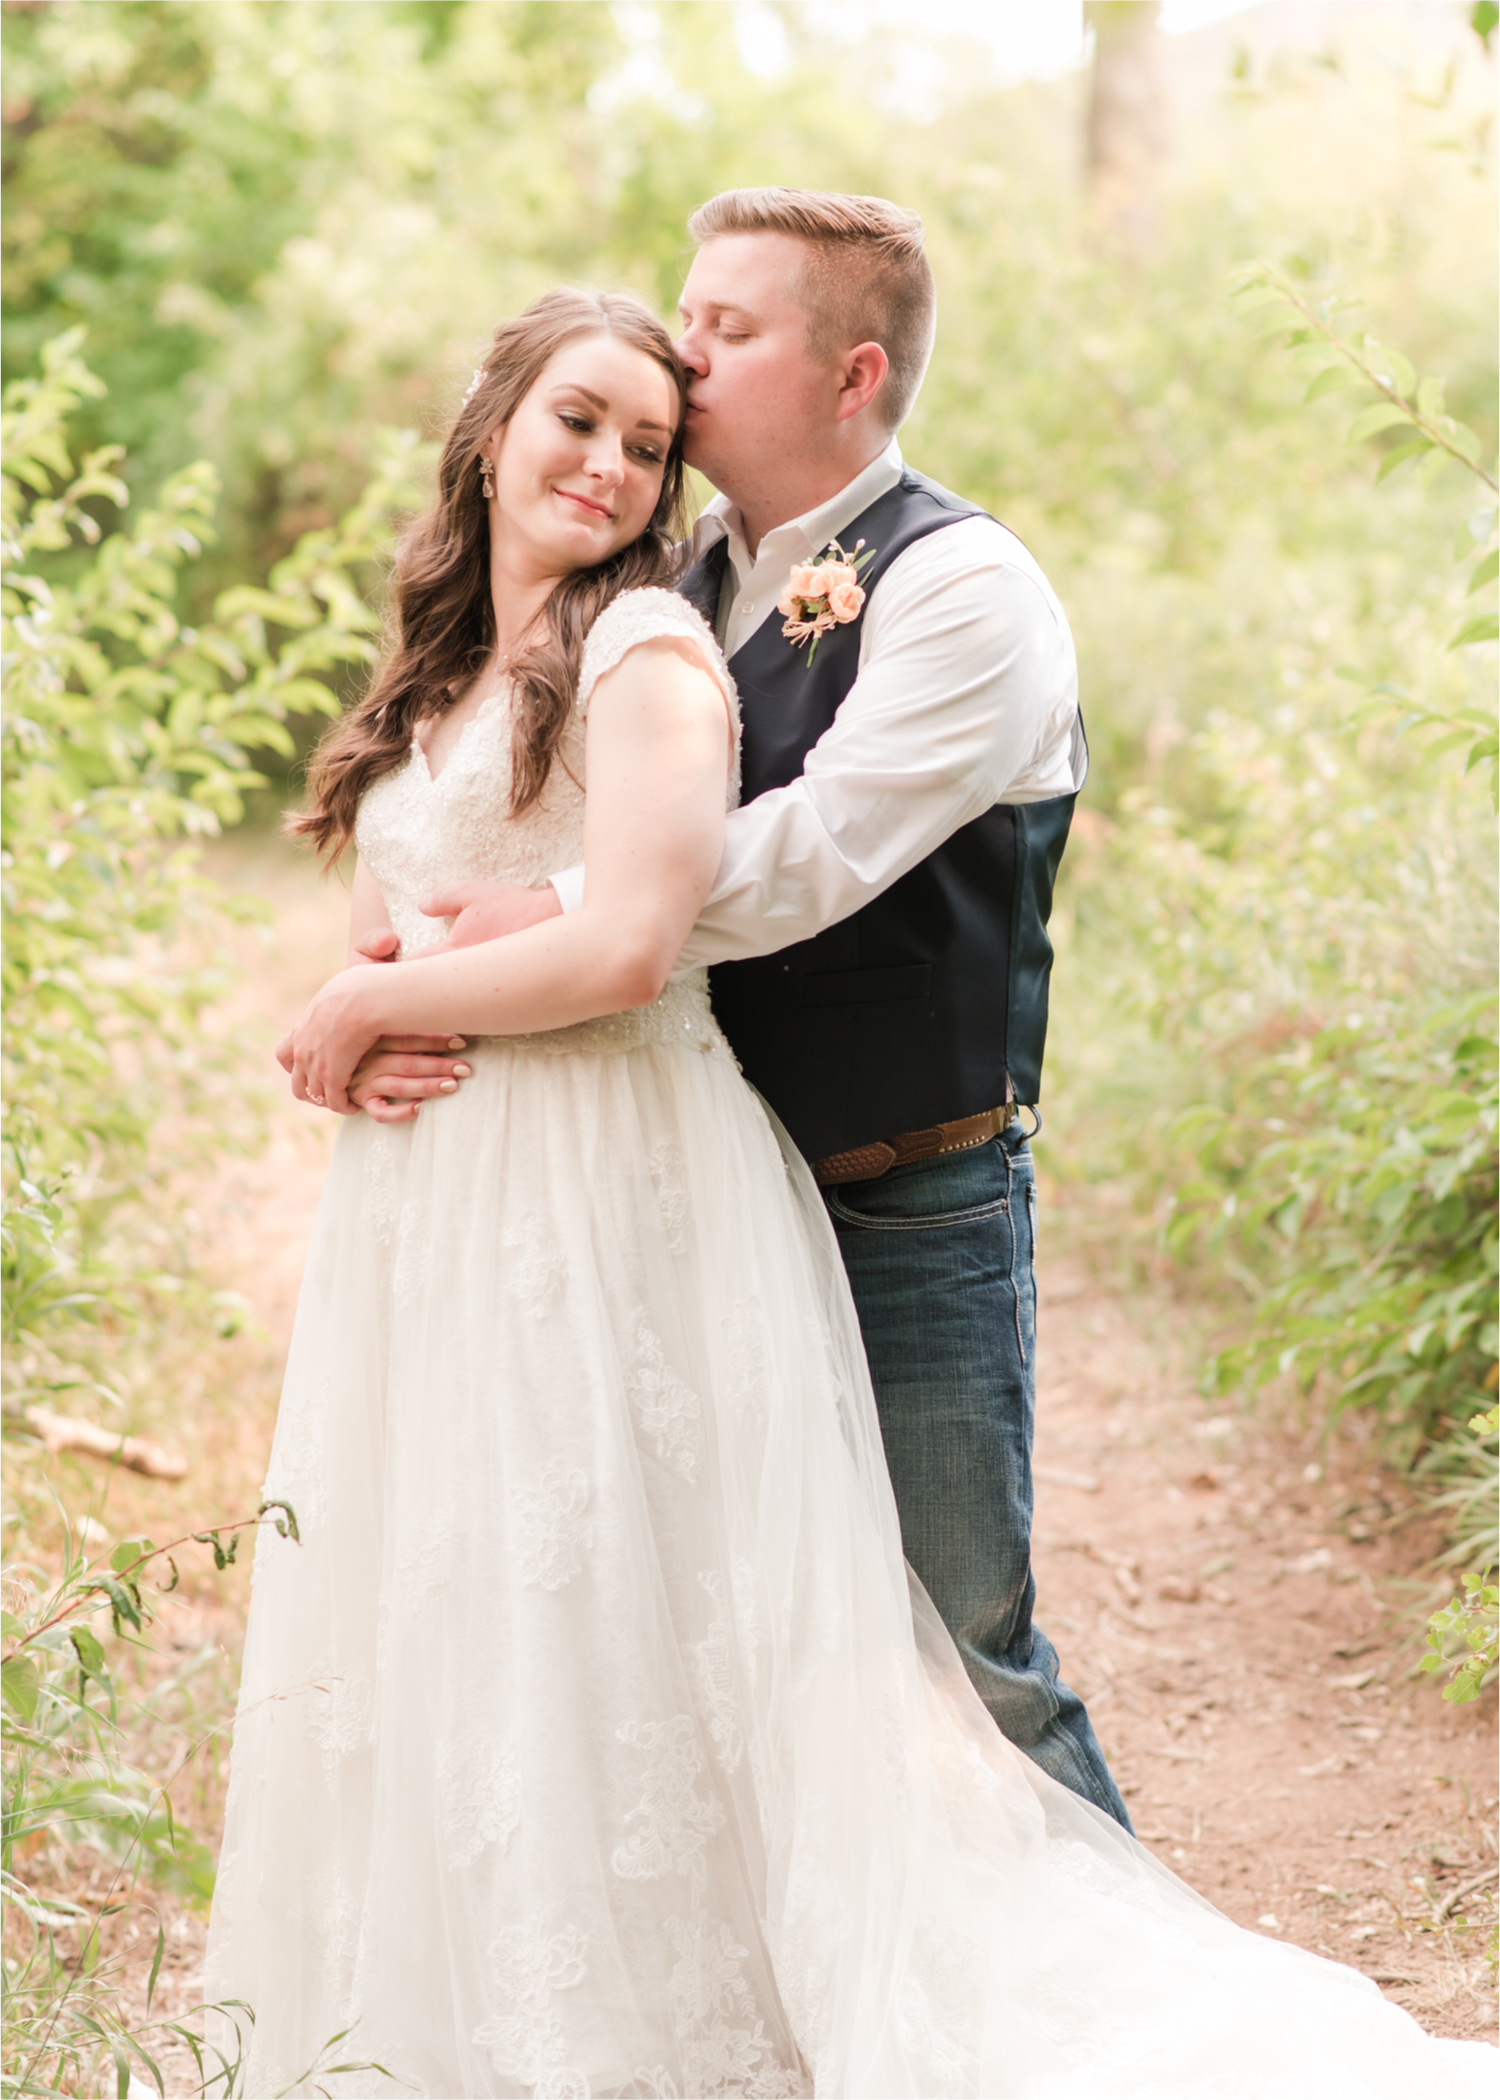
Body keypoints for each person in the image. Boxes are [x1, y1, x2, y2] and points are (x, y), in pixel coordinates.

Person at [208, 278, 1496, 2098]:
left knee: (928, 1637)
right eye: (582, 416)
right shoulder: (488, 652)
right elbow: (411, 908)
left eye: (653, 425)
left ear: (849, 366)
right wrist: (372, 1011)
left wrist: (388, 998)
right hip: (466, 1210)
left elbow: (687, 911)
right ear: (490, 425)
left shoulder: (752, 621)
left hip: (709, 1171)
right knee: (516, 1603)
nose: (621, 451)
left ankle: (1020, 1978)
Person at [324, 187, 1125, 1829]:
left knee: (963, 1651)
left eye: (728, 328)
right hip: (684, 1190)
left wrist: (556, 920)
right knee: (711, 1646)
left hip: (902, 1187)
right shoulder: (674, 572)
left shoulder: (965, 588)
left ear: (852, 375)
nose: (685, 355)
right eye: (686, 314)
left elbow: (816, 855)